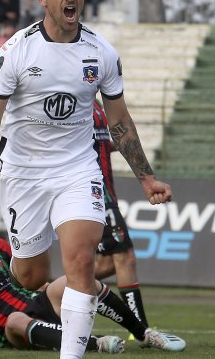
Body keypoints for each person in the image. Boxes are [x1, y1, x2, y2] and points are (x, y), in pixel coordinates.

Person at [0, 0, 173, 359]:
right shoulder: (14, 53)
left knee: (81, 260)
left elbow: (119, 119)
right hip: (24, 174)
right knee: (30, 275)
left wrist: (146, 178)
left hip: (77, 168)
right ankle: (40, 280)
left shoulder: (101, 52)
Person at [0, 208, 185, 353]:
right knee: (15, 319)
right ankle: (96, 343)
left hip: (39, 305)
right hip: (13, 333)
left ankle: (144, 333)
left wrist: (62, 292)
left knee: (79, 280)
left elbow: (35, 280)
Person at [90, 100, 149, 330]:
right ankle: (140, 329)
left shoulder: (96, 105)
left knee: (104, 265)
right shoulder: (78, 104)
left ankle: (52, 292)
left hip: (107, 192)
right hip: (95, 192)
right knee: (126, 257)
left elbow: (102, 141)